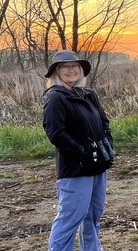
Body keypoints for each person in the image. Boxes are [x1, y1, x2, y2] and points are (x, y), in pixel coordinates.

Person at [42, 50, 114, 251]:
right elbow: (56, 134)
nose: (71, 70)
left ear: (81, 70)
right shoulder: (56, 97)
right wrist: (83, 155)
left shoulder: (89, 95)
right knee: (70, 218)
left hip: (98, 165)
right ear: (57, 71)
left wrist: (108, 147)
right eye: (65, 67)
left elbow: (104, 123)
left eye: (75, 66)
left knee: (93, 215)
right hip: (75, 169)